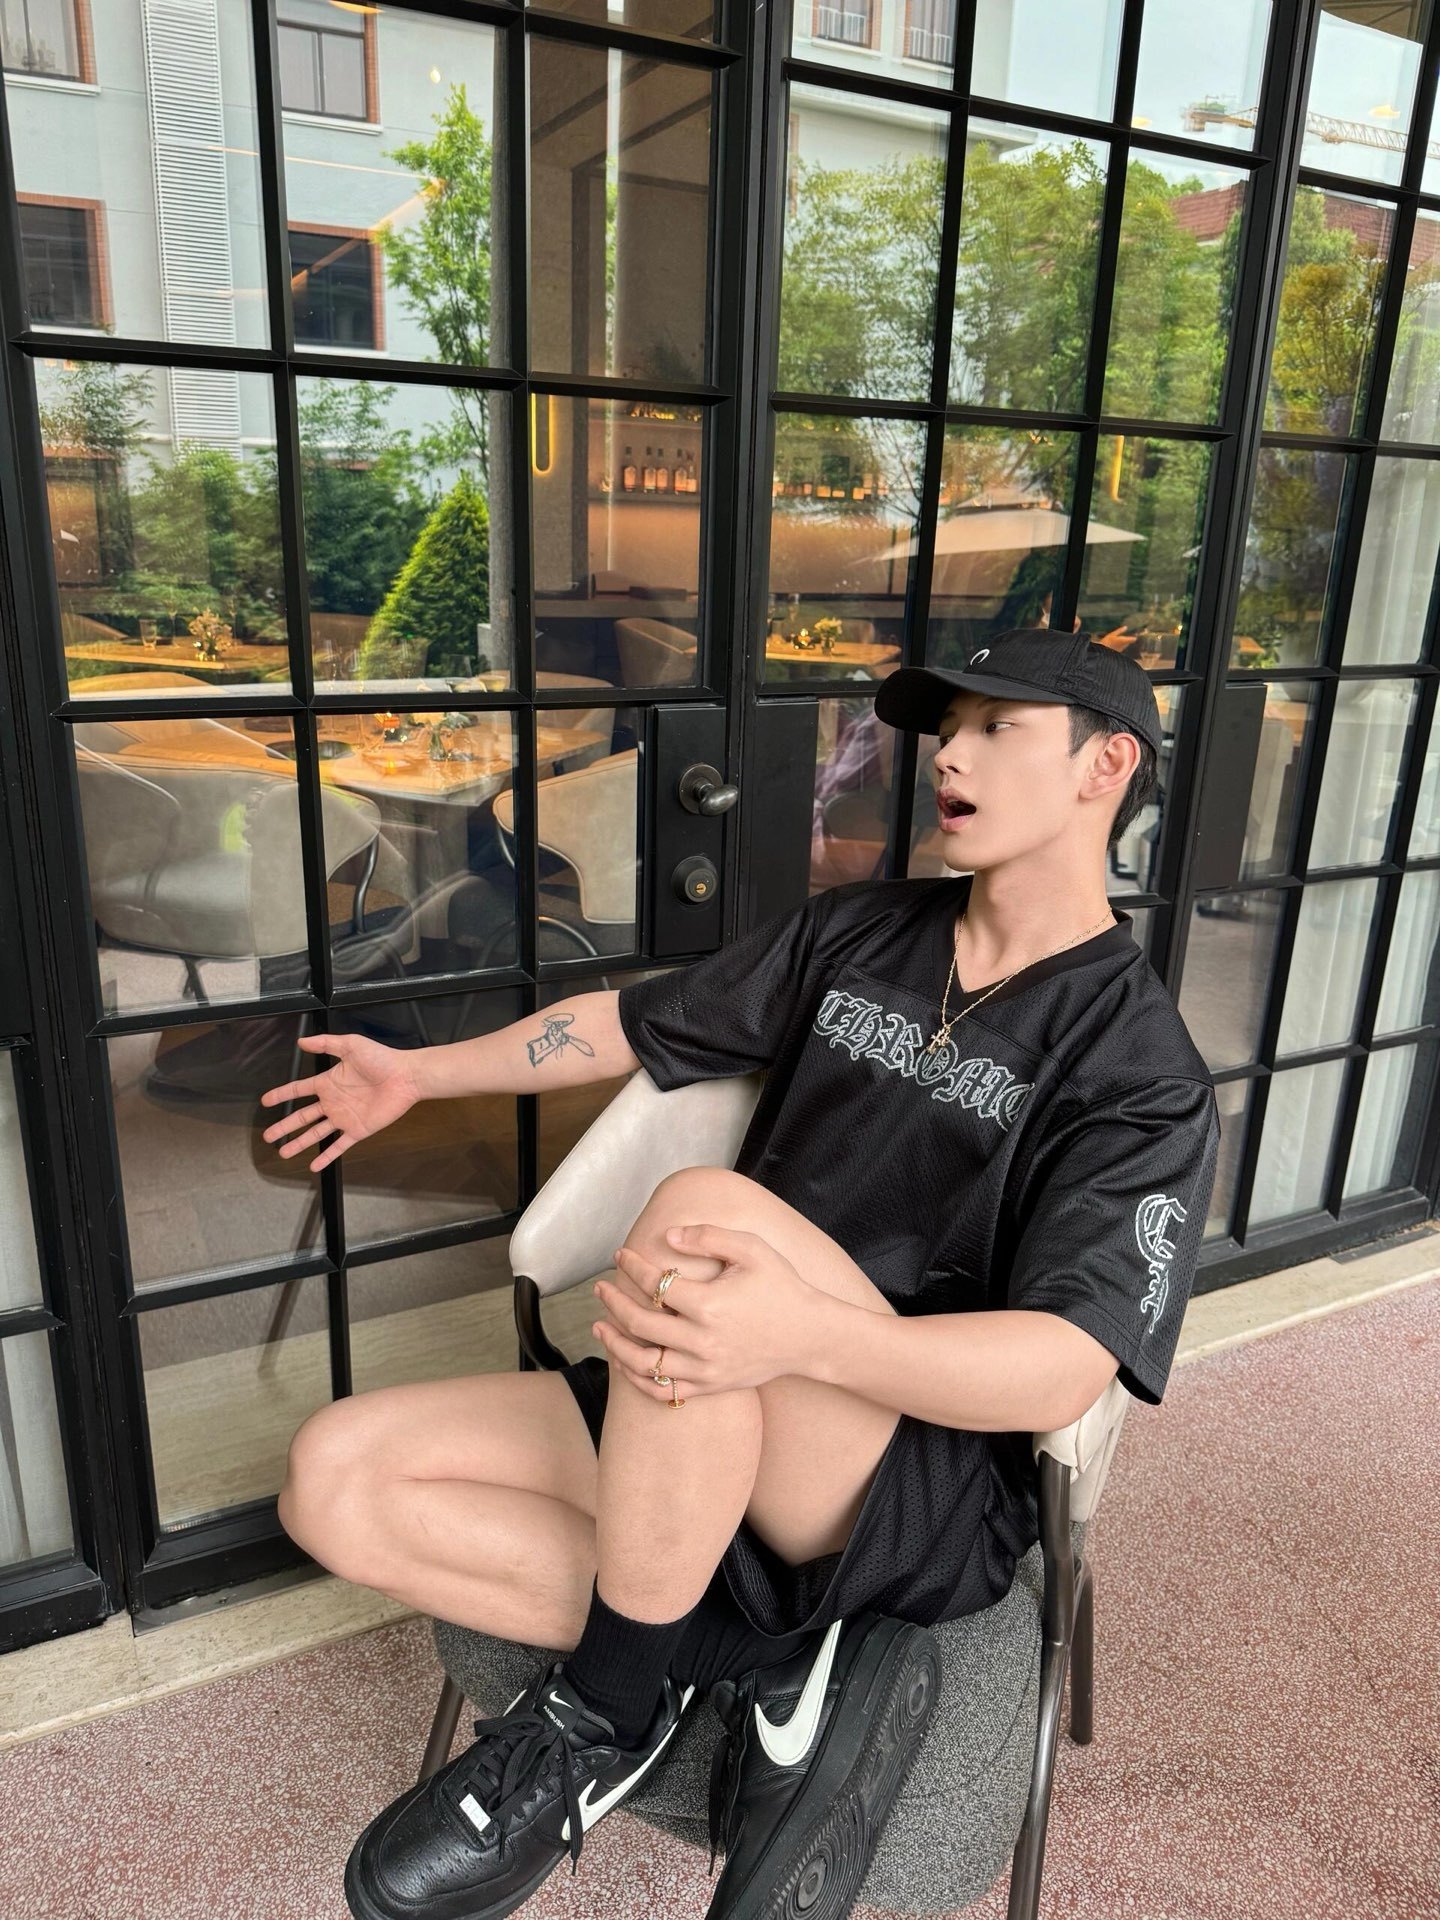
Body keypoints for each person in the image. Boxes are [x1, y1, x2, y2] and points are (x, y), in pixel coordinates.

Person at [260, 626, 1222, 1920]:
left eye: (998, 728)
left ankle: (596, 1720)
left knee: (709, 1215)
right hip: (698, 1381)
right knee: (332, 1480)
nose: (950, 755)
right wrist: (416, 1074)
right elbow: (626, 1023)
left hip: (899, 1470)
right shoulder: (860, 932)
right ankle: (752, 1658)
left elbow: (1063, 1367)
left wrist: (797, 1338)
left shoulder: (1140, 1068)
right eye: (948, 729)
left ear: (1107, 766)